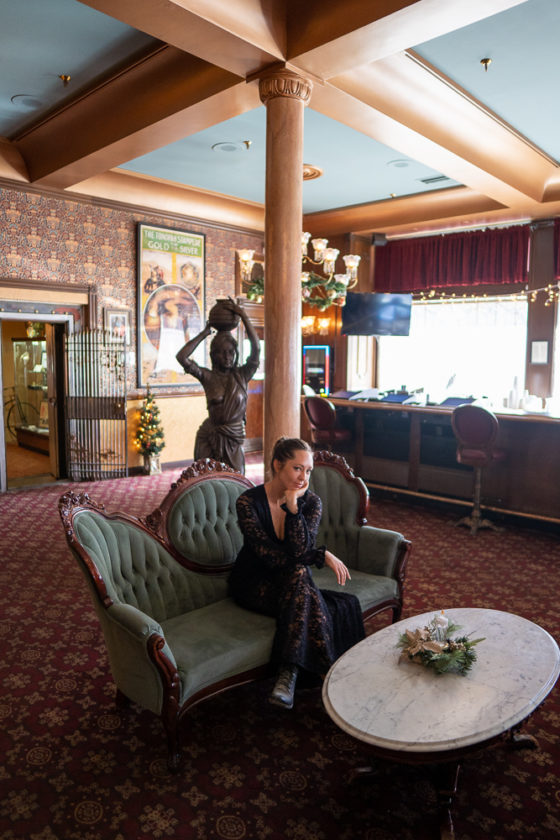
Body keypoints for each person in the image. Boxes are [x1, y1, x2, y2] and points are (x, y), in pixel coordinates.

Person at [228, 437, 365, 709]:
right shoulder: (247, 502)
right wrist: (320, 554)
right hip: (253, 581)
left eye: (308, 470)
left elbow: (300, 549)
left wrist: (292, 508)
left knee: (299, 576)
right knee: (302, 576)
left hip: (291, 581)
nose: (304, 477)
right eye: (297, 468)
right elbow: (268, 555)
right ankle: (329, 673)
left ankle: (288, 674)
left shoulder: (311, 502)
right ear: (278, 465)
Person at [175, 298, 260, 474]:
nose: (227, 357)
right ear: (214, 355)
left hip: (233, 434)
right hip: (209, 435)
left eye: (231, 352)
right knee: (205, 478)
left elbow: (256, 349)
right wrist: (204, 333)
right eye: (222, 353)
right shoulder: (208, 376)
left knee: (236, 478)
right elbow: (182, 357)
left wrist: (243, 315)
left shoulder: (242, 375)